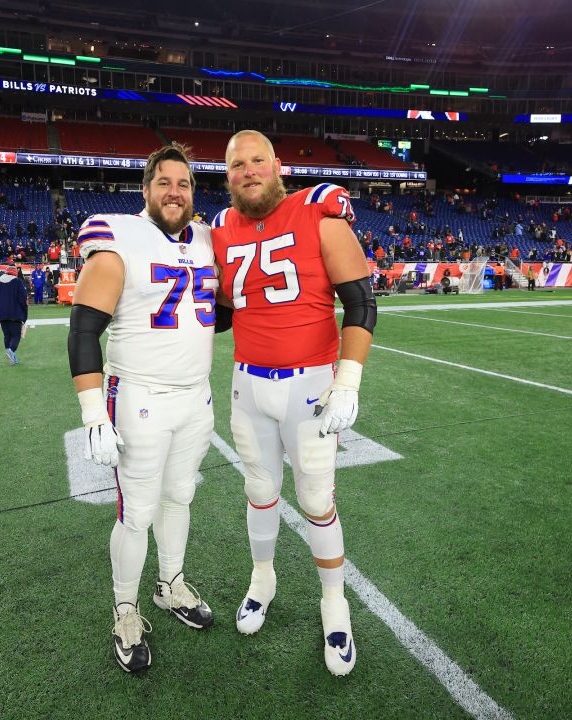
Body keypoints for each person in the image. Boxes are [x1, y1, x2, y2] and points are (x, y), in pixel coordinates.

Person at [211, 130, 375, 677]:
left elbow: (360, 301)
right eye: (238, 164)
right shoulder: (220, 229)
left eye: (258, 160)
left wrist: (347, 380)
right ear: (228, 173)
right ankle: (263, 580)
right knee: (259, 490)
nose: (249, 171)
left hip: (310, 385)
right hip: (248, 383)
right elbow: (226, 310)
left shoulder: (318, 210)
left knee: (315, 499)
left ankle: (335, 602)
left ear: (278, 165)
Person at [67, 143, 220, 674]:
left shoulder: (206, 239)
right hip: (139, 396)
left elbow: (209, 314)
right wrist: (93, 413)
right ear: (146, 189)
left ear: (193, 193)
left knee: (179, 497)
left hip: (196, 395)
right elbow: (84, 329)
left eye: (183, 183)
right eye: (164, 182)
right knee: (137, 514)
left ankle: (170, 585)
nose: (174, 192)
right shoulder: (119, 235)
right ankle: (125, 608)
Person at [0, 263, 29, 365]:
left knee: (7, 335)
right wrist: (25, 314)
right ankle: (11, 351)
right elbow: (23, 300)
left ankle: (11, 356)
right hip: (15, 313)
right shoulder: (17, 282)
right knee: (16, 335)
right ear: (15, 273)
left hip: (0, 313)